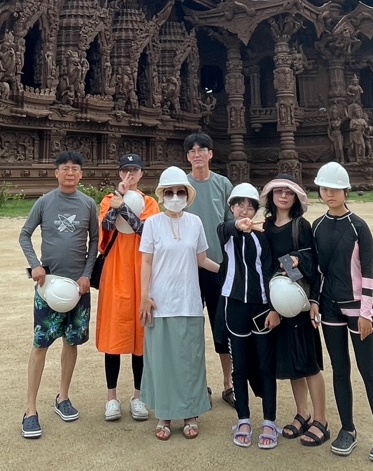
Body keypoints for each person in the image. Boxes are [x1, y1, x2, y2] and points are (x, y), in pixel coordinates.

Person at [310, 161, 373, 462]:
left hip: (358, 308)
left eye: (334, 189)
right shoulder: (316, 227)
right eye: (324, 189)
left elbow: (368, 273)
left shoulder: (359, 227)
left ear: (346, 191)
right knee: (339, 369)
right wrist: (314, 301)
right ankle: (347, 428)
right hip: (329, 307)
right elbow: (317, 271)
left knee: (368, 370)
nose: (329, 194)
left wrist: (366, 312)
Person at [18, 150, 99, 439]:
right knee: (40, 344)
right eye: (65, 168)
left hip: (78, 287)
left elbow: (94, 242)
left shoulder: (88, 204)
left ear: (81, 174)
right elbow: (24, 234)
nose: (70, 173)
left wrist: (87, 274)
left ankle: (62, 396)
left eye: (75, 168)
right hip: (48, 285)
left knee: (71, 342)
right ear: (56, 173)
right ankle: (30, 409)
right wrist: (35, 265)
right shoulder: (44, 202)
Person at [139, 166, 221, 440]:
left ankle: (190, 413)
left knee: (189, 360)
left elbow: (202, 259)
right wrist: (144, 296)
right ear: (162, 195)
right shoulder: (152, 223)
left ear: (187, 195)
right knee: (162, 361)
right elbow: (146, 262)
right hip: (160, 302)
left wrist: (228, 271)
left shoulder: (195, 223)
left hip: (189, 301)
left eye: (180, 192)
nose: (175, 197)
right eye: (170, 192)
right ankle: (164, 414)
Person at [261, 174, 329, 447]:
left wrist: (313, 301)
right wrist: (273, 307)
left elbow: (313, 263)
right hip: (279, 303)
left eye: (288, 192)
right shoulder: (266, 227)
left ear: (295, 198)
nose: (283, 196)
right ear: (271, 196)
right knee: (292, 364)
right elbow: (266, 266)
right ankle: (303, 413)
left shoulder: (301, 226)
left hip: (300, 303)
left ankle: (321, 420)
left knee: (309, 363)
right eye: (278, 191)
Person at [96, 153, 160, 422]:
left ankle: (138, 395)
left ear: (142, 173)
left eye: (134, 170)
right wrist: (118, 200)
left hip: (141, 271)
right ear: (120, 173)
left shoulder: (150, 202)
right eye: (125, 170)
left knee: (140, 335)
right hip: (115, 271)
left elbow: (143, 230)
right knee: (114, 332)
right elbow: (106, 226)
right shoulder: (108, 200)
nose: (130, 175)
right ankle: (111, 397)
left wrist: (123, 206)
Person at [217, 182, 280, 449]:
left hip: (262, 306)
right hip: (235, 305)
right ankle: (243, 418)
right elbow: (225, 229)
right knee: (240, 366)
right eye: (239, 205)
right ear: (231, 208)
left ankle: (269, 421)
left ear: (257, 210)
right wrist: (238, 226)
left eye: (250, 206)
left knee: (266, 365)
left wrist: (275, 307)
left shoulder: (263, 235)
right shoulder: (226, 231)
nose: (245, 210)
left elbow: (271, 268)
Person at [182, 131, 235, 405]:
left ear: (210, 154)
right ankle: (198, 384)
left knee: (221, 326)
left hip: (216, 266)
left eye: (202, 149)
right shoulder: (181, 185)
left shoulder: (223, 184)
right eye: (192, 151)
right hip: (187, 269)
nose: (197, 154)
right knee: (191, 327)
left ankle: (229, 384)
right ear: (188, 156)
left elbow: (230, 223)